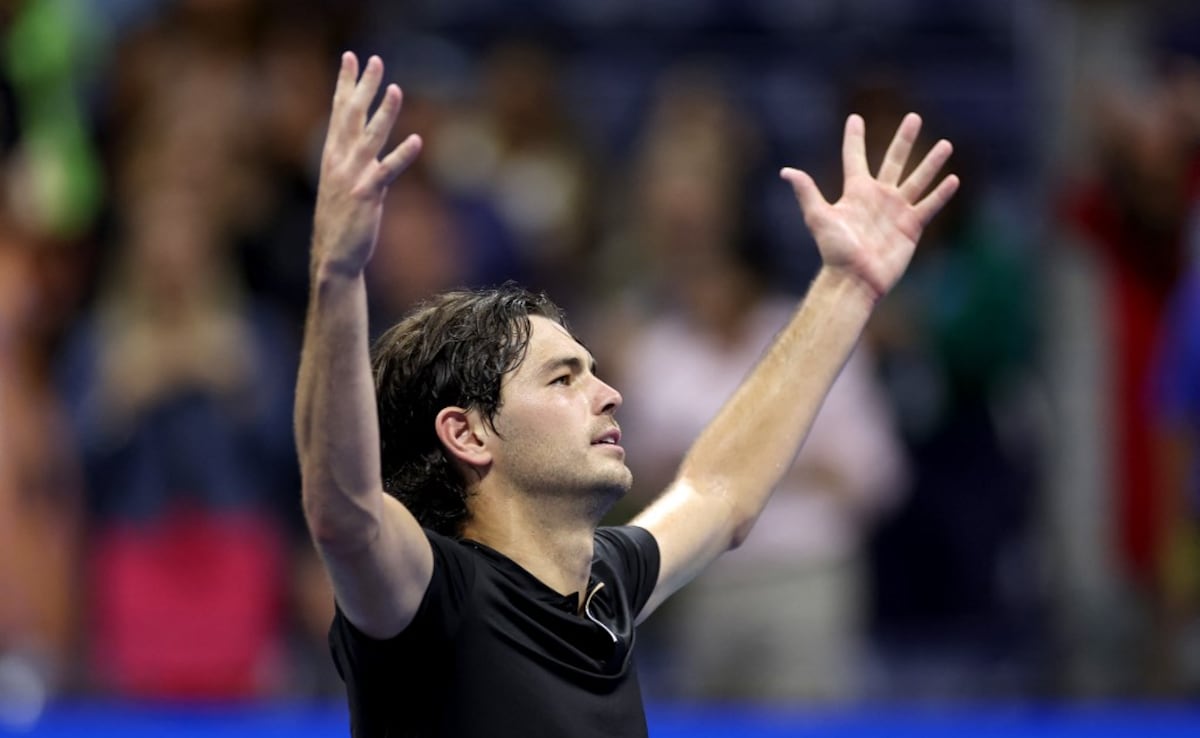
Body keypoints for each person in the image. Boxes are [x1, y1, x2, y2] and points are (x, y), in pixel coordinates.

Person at [296, 52, 958, 737]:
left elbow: (720, 490)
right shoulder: (434, 597)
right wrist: (337, 273)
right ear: (468, 433)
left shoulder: (605, 585)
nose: (610, 395)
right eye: (563, 378)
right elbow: (344, 513)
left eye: (592, 370)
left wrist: (847, 287)